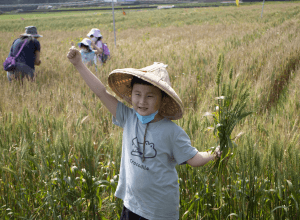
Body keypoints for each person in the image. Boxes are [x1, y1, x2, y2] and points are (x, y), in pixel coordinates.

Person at [67, 47, 221, 220]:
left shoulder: (172, 132)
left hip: (160, 212)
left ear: (162, 99)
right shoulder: (128, 117)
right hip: (131, 205)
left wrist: (214, 154)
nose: (141, 101)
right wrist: (79, 64)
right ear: (131, 94)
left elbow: (194, 159)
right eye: (137, 94)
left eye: (150, 96)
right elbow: (101, 93)